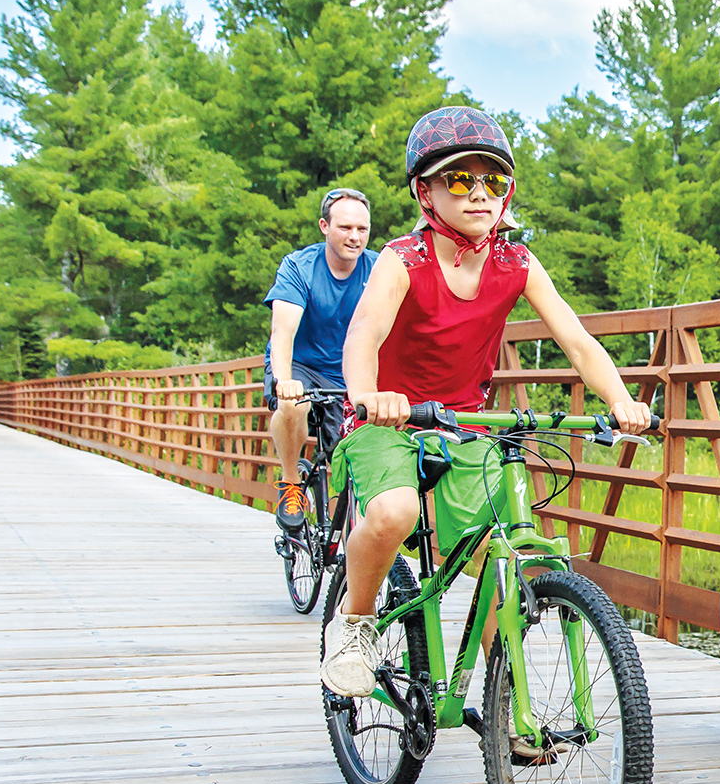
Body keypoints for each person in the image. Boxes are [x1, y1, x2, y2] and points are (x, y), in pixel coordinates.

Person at [320, 106, 653, 697]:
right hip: (386, 416)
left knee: (506, 548)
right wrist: (370, 396)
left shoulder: (515, 263)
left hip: (463, 420)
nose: (480, 194)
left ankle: (506, 703)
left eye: (493, 182)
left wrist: (623, 400)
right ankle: (354, 623)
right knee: (394, 513)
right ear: (426, 192)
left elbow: (577, 341)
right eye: (459, 180)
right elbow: (364, 334)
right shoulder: (404, 260)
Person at [266, 187, 378, 529]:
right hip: (302, 364)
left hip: (349, 370)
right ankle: (291, 483)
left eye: (362, 229)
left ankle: (345, 536)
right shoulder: (299, 267)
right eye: (345, 228)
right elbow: (283, 332)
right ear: (324, 226)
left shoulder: (378, 268)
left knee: (353, 451)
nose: (355, 237)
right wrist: (284, 382)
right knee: (292, 405)